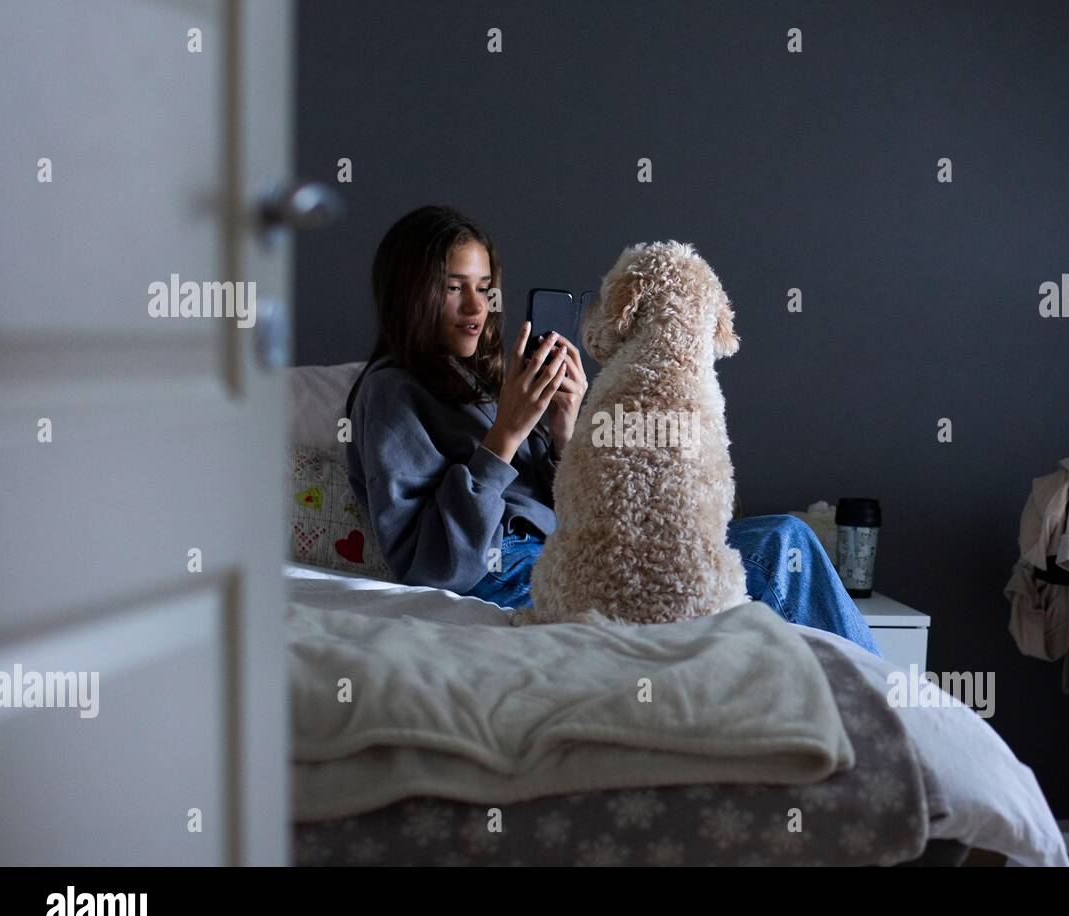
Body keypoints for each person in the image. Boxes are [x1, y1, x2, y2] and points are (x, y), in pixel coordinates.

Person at [345, 205, 878, 655]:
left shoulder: (493, 380)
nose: (477, 308)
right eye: (453, 288)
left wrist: (564, 427)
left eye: (485, 288)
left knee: (786, 539)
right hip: (514, 577)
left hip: (585, 548)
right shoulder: (389, 394)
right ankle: (881, 710)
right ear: (409, 293)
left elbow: (574, 503)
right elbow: (429, 566)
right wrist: (504, 435)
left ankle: (887, 704)